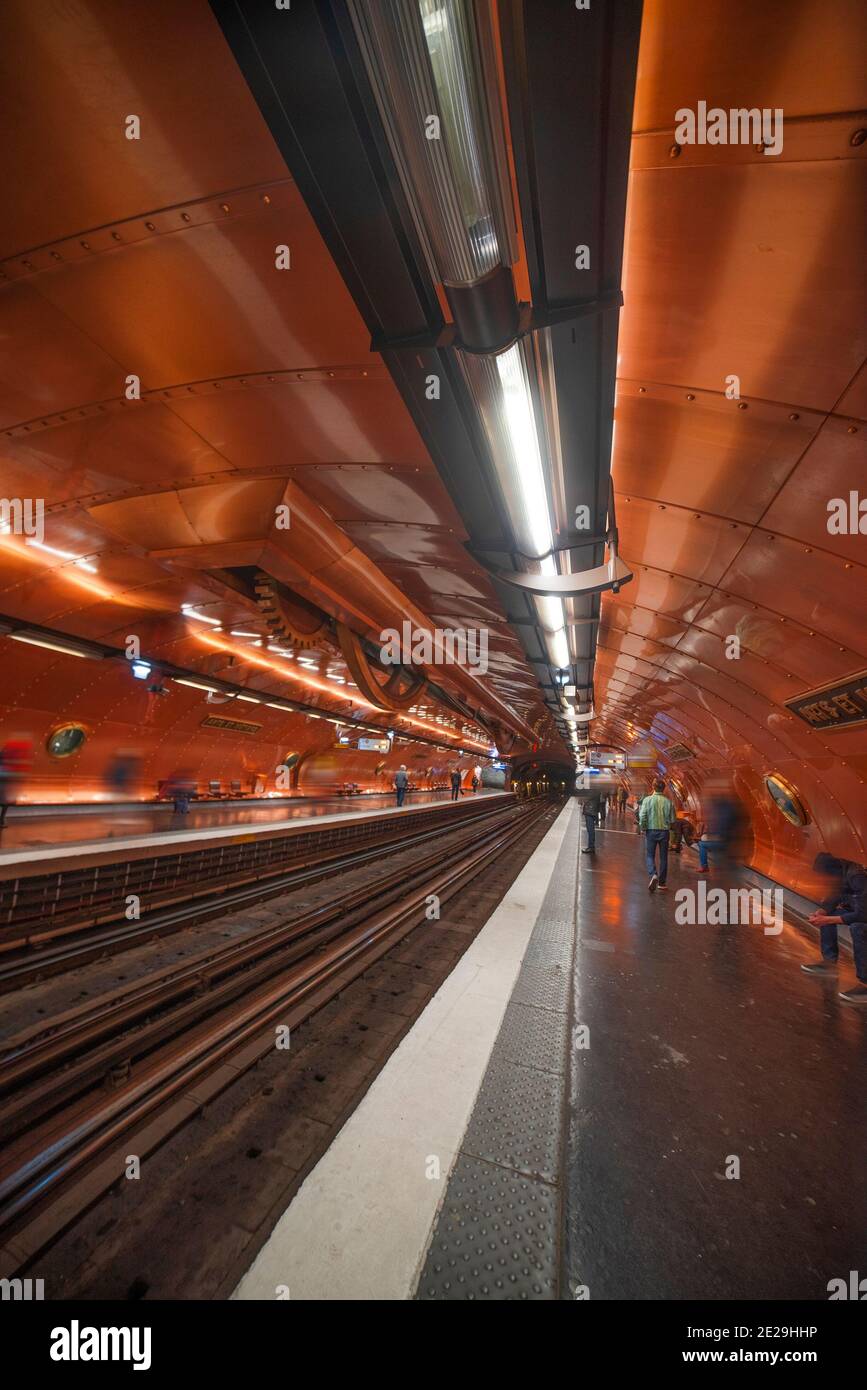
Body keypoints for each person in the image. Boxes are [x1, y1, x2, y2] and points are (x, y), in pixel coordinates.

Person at [802, 852, 867, 1006]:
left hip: (863, 916)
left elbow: (862, 915)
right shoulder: (842, 872)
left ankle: (865, 984)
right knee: (830, 915)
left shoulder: (857, 877)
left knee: (858, 928)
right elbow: (836, 896)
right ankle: (829, 963)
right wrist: (823, 912)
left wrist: (827, 919)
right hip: (858, 912)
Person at [639, 778, 675, 891]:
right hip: (664, 832)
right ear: (663, 789)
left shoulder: (647, 800)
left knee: (650, 855)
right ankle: (662, 883)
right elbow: (673, 819)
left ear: (653, 787)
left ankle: (653, 874)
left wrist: (643, 827)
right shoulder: (669, 802)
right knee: (664, 857)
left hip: (651, 831)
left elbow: (643, 816)